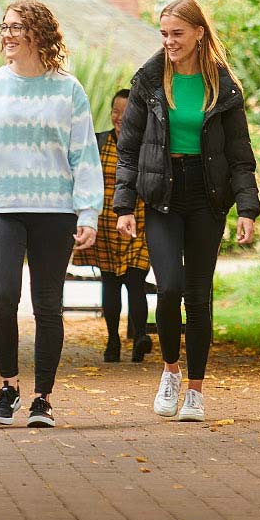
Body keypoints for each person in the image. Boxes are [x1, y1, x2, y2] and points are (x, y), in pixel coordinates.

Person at [0, 0, 101, 428]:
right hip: (0, 209)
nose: (7, 34)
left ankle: (42, 398)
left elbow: (84, 154)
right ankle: (9, 386)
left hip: (55, 211)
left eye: (16, 27)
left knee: (48, 306)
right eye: (4, 26)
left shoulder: (68, 89)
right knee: (2, 298)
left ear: (38, 33)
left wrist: (88, 212)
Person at [116, 0, 257, 423]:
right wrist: (124, 204)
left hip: (207, 196)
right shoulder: (149, 79)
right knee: (170, 287)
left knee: (198, 296)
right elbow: (129, 149)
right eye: (164, 34)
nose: (170, 42)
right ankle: (171, 371)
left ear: (199, 33)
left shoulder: (224, 85)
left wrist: (247, 208)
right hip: (162, 195)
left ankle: (195, 390)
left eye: (177, 34)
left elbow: (239, 153)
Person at [74, 88, 150, 362]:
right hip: (106, 223)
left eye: (125, 112)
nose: (119, 117)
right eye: (115, 112)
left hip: (136, 222)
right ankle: (113, 341)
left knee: (135, 279)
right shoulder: (100, 142)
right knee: (110, 282)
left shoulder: (147, 145)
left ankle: (140, 336)